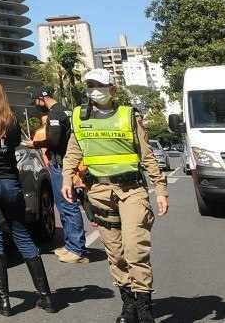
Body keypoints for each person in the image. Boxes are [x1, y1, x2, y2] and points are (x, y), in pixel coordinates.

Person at [62, 68, 168, 323]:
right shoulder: (79, 117)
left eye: (100, 85)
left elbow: (147, 156)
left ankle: (145, 310)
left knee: (134, 249)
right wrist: (67, 177)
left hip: (131, 191)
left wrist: (161, 189)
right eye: (90, 85)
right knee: (116, 253)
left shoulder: (128, 116)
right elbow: (73, 152)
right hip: (99, 192)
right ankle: (128, 306)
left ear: (113, 89)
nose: (94, 90)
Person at [0, 79, 57, 316]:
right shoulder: (12, 121)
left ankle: (4, 301)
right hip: (9, 183)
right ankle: (46, 297)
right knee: (23, 237)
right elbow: (15, 144)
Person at [33, 87, 88, 264]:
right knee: (65, 204)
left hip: (62, 162)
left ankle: (76, 249)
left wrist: (35, 144)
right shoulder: (68, 111)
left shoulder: (55, 114)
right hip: (68, 162)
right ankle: (71, 244)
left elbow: (54, 141)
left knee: (67, 204)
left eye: (35, 101)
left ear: (42, 98)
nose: (35, 105)